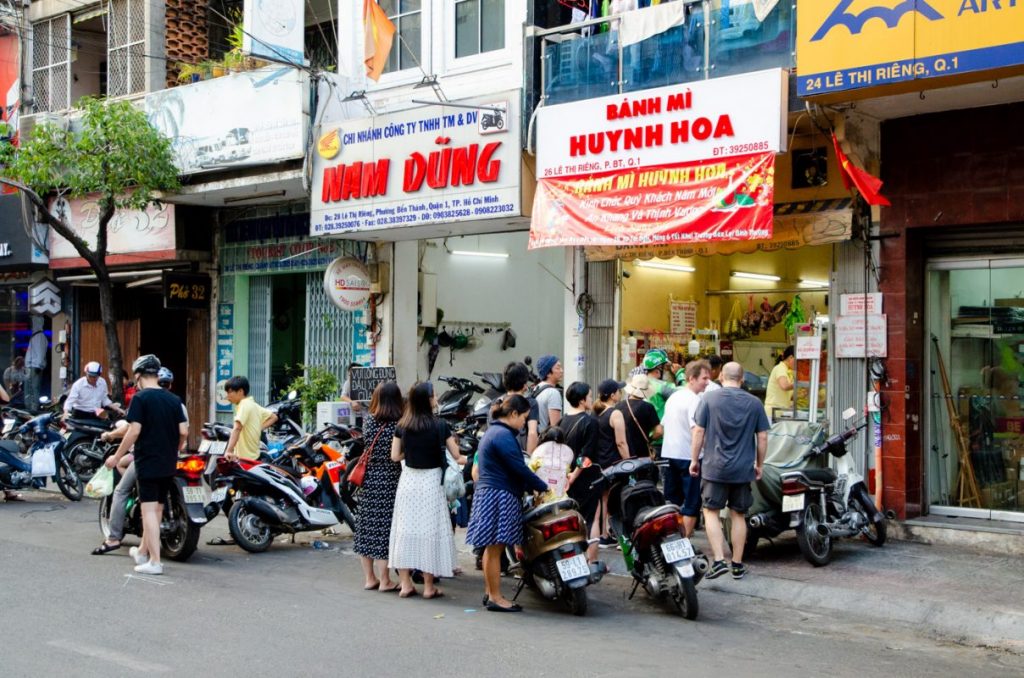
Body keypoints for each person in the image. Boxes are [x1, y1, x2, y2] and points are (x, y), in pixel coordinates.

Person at [104, 354, 187, 575]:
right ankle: (142, 551)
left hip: (148, 461)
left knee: (148, 510)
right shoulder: (174, 400)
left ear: (139, 375)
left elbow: (134, 430)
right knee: (157, 508)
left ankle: (155, 561)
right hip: (169, 463)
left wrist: (116, 456)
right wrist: (176, 448)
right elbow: (184, 431)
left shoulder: (141, 399)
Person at [466, 395, 548, 612]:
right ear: (513, 414)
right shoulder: (502, 435)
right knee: (495, 549)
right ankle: (495, 597)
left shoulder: (494, 431)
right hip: (498, 495)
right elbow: (519, 468)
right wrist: (543, 487)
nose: (524, 422)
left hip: (490, 493)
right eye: (523, 417)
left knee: (491, 549)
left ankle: (490, 592)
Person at [690, 361, 770, 581]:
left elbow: (699, 432)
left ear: (721, 377)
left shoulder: (708, 399)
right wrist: (759, 464)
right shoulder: (754, 403)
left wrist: (694, 459)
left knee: (711, 512)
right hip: (743, 468)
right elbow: (762, 437)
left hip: (714, 467)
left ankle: (718, 560)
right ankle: (737, 564)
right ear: (742, 379)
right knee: (738, 514)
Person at [389, 382, 466, 599]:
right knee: (429, 531)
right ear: (428, 400)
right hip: (432, 481)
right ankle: (429, 586)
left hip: (409, 481)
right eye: (434, 395)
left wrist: (410, 454)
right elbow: (456, 454)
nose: (437, 397)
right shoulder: (440, 425)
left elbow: (395, 456)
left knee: (405, 530)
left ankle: (405, 584)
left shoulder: (402, 425)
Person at [353, 382, 404, 593]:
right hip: (390, 479)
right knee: (384, 530)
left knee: (366, 528)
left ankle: (369, 578)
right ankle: (385, 580)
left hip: (369, 479)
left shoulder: (368, 421)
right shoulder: (398, 425)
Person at [661, 360, 711, 537]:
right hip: (688, 457)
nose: (707, 382)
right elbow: (697, 431)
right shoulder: (695, 400)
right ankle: (684, 542)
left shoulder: (673, 397)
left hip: (669, 454)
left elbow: (663, 426)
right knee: (692, 503)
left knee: (673, 502)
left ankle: (673, 539)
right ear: (691, 378)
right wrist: (698, 457)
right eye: (704, 378)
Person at [560, 382, 602, 561]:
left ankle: (572, 556)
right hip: (585, 478)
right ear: (582, 400)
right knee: (592, 517)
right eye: (590, 396)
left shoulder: (562, 420)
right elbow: (586, 454)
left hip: (566, 477)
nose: (592, 400)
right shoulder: (590, 421)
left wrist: (567, 476)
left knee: (571, 518)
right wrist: (574, 476)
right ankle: (591, 559)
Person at [593, 378, 625, 547]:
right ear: (613, 395)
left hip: (598, 462)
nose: (621, 393)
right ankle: (606, 533)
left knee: (602, 498)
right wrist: (628, 461)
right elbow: (621, 442)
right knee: (610, 499)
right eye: (619, 391)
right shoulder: (615, 413)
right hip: (612, 462)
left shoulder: (595, 412)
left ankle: (601, 532)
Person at [223, 376, 277, 462]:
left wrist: (229, 451)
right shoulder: (253, 404)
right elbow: (273, 417)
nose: (228, 396)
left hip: (245, 458)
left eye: (230, 392)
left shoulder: (244, 404)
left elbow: (237, 428)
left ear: (240, 391)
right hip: (254, 455)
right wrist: (258, 428)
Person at [609, 374, 662, 460]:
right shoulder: (648, 407)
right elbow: (659, 431)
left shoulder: (618, 406)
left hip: (622, 453)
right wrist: (649, 439)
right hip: (642, 453)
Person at [498, 361, 540, 453]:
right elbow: (532, 433)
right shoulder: (530, 403)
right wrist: (529, 460)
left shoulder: (497, 403)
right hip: (518, 456)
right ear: (524, 381)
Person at [529, 426, 575, 500]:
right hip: (561, 498)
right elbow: (566, 473)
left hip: (541, 498)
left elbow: (530, 471)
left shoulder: (538, 457)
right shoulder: (565, 461)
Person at [533, 354, 564, 433]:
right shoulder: (553, 393)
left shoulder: (536, 388)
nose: (561, 370)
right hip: (546, 441)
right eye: (558, 368)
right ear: (548, 373)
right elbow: (555, 427)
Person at [764, 345, 795, 419]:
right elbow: (784, 386)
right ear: (791, 357)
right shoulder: (780, 368)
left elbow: (788, 394)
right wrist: (799, 384)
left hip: (781, 412)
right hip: (773, 413)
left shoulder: (789, 371)